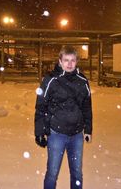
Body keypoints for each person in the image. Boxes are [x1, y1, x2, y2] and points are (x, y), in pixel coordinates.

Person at [34, 46, 93, 189]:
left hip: (77, 135)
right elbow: (41, 106)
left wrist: (88, 130)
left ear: (77, 61)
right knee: (52, 173)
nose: (69, 64)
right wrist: (40, 132)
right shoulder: (51, 80)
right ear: (60, 61)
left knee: (77, 173)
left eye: (72, 60)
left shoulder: (82, 81)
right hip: (56, 135)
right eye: (66, 60)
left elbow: (87, 107)